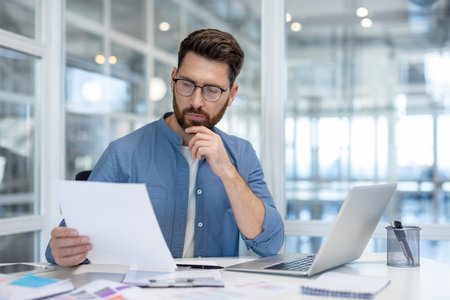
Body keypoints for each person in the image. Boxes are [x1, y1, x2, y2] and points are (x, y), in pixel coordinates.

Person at [46, 28, 284, 267]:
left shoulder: (241, 154)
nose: (196, 102)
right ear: (173, 80)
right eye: (187, 84)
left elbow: (269, 244)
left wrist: (227, 172)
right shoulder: (123, 153)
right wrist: (63, 250)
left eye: (212, 90)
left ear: (231, 95)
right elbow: (67, 243)